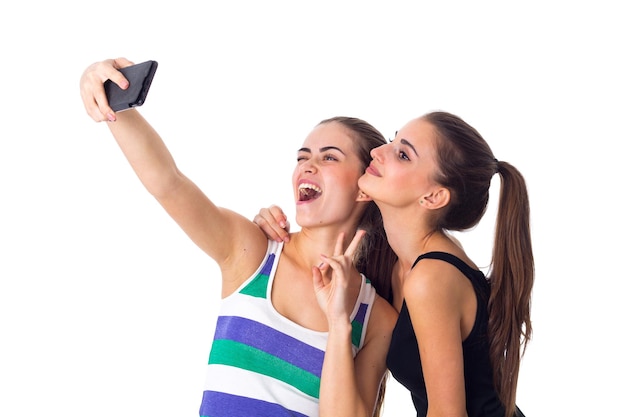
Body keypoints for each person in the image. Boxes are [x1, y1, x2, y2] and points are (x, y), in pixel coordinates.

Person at [79, 57, 399, 417]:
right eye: (303, 156)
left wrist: (340, 322)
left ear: (364, 188)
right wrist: (114, 103)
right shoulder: (253, 251)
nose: (307, 166)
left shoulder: (378, 320)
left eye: (329, 158)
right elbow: (168, 183)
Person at [255, 111, 533, 417]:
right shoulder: (398, 263)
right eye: (392, 140)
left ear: (433, 196)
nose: (378, 152)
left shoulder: (430, 277)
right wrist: (270, 234)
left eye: (402, 154)